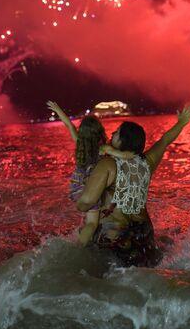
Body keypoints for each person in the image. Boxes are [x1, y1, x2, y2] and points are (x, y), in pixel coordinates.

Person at [76, 106, 190, 267]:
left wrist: (80, 199)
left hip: (116, 238)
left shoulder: (108, 164)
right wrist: (182, 123)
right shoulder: (147, 162)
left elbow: (86, 201)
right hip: (144, 234)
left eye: (116, 133)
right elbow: (165, 140)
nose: (112, 134)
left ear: (123, 141)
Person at [46, 101, 134, 245]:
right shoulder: (103, 148)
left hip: (76, 187)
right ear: (99, 131)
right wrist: (135, 155)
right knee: (92, 224)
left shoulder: (80, 143)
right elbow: (124, 156)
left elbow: (69, 125)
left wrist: (58, 110)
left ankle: (82, 243)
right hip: (91, 187)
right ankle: (80, 247)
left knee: (90, 222)